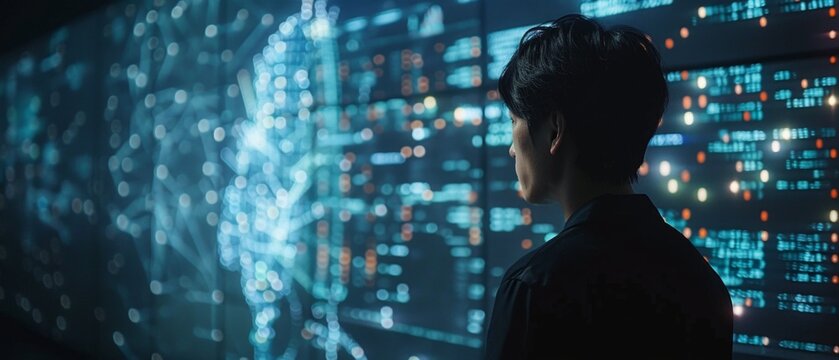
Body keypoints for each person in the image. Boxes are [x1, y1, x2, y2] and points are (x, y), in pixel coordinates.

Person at [484, 14, 733, 359]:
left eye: (514, 121)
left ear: (554, 130)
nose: (512, 147)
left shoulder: (535, 286)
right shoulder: (702, 281)